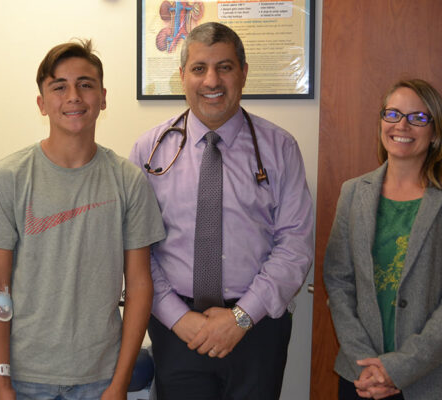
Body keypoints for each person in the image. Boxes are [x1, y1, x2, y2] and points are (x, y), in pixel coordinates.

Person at [0, 39, 165, 400]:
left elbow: (139, 285)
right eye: (59, 87)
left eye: (85, 84)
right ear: (42, 103)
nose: (73, 95)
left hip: (101, 376)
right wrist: (1, 382)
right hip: (24, 375)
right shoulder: (6, 178)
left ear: (103, 98)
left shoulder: (128, 181)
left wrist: (119, 384)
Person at [129, 22, 314, 399]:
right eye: (199, 68)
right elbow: (136, 250)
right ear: (182, 76)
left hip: (258, 328)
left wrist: (241, 318)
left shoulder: (280, 148)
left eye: (225, 67)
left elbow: (295, 245)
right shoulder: (149, 151)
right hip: (176, 329)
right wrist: (179, 320)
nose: (211, 80)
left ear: (243, 73)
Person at [324, 79, 442, 400]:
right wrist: (366, 364)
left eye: (418, 118)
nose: (402, 125)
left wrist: (399, 368)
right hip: (359, 377)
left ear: (435, 133)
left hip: (428, 378)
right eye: (393, 114)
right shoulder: (352, 193)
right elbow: (338, 281)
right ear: (381, 122)